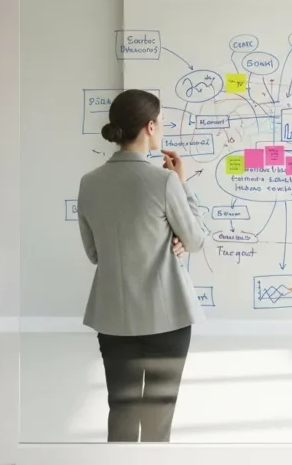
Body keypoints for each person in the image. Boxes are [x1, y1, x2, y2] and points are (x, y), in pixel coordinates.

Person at [76, 89, 209, 443]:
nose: (162, 129)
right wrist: (182, 186)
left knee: (121, 409)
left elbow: (94, 253)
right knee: (158, 414)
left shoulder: (89, 183)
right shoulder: (164, 181)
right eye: (161, 122)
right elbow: (195, 241)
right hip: (167, 318)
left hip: (113, 318)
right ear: (150, 126)